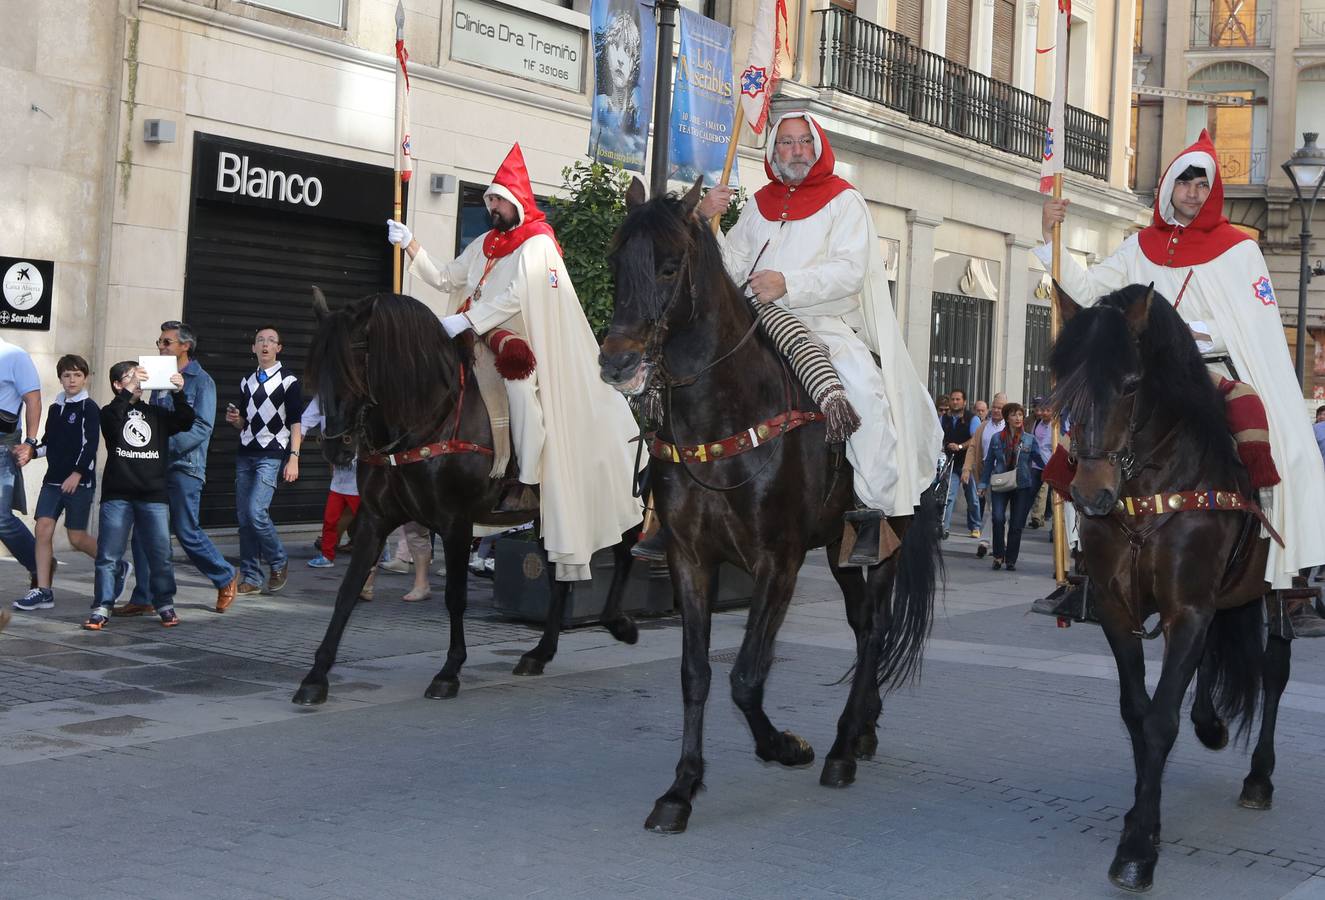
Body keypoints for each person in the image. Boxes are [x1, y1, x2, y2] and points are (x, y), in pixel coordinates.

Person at [1040, 129, 1325, 635]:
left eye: (1202, 184)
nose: (1192, 192)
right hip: (1149, 374)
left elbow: (1254, 323)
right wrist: (1052, 241)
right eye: (1185, 182)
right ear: (1168, 186)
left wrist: (1195, 332)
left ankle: (1287, 577)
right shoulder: (1137, 247)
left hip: (1212, 367)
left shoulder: (1239, 250)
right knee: (1086, 438)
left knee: (1278, 439)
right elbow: (1086, 288)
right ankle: (1084, 564)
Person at [387, 143, 642, 581]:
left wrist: (465, 318)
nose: (492, 206)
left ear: (517, 203)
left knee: (520, 386)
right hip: (475, 331)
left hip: (520, 337)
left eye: (499, 199)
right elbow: (448, 276)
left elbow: (515, 297)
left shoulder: (538, 244)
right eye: (489, 199)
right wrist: (412, 246)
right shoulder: (486, 243)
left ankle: (524, 480)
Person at [693, 111, 942, 560]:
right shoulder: (758, 204)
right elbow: (732, 268)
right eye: (785, 142)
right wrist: (705, 221)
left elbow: (851, 270)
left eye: (804, 141)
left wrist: (789, 283)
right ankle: (675, 500)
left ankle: (872, 509)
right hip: (754, 322)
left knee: (865, 396)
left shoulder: (845, 201)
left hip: (823, 325)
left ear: (819, 147)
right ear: (773, 151)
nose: (795, 150)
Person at [115, 321, 241, 617]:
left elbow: (202, 427)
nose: (160, 346)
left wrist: (162, 446)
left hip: (185, 467)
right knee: (144, 531)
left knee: (186, 530)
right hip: (155, 467)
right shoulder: (159, 377)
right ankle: (144, 595)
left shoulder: (202, 381)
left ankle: (224, 576)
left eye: (166, 342)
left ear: (185, 346)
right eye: (159, 341)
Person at [83, 361, 196, 630]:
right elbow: (112, 425)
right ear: (116, 384)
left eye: (139, 375)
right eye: (130, 377)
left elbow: (186, 420)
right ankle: (102, 606)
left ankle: (165, 604)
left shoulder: (155, 413)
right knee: (109, 555)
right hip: (118, 494)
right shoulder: (110, 412)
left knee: (160, 553)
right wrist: (129, 391)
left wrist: (178, 391)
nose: (138, 380)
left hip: (153, 494)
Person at [12, 355, 99, 612]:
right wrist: (30, 453)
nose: (72, 380)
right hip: (52, 481)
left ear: (85, 377)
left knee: (77, 537)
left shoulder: (89, 408)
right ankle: (43, 590)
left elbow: (90, 445)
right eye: (67, 375)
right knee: (42, 530)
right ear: (60, 378)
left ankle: (114, 565)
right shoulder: (55, 408)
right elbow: (48, 443)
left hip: (78, 482)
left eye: (77, 375)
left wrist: (78, 473)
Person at [225, 326, 302, 595]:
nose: (265, 345)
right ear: (254, 348)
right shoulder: (247, 381)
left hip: (272, 454)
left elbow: (295, 423)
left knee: (257, 513)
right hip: (246, 452)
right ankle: (251, 576)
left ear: (279, 348)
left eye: (271, 341)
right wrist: (237, 421)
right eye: (260, 340)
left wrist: (293, 458)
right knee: (244, 518)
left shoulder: (289, 381)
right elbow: (246, 422)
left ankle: (279, 561)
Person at [978, 403, 1044, 572]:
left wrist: (1053, 471)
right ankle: (998, 556)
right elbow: (988, 464)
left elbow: (1040, 460)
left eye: (1021, 415)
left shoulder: (1029, 439)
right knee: (998, 518)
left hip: (1022, 484)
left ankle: (1011, 560)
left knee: (1016, 524)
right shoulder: (997, 439)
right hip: (1000, 482)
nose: (1018, 418)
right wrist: (983, 484)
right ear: (1007, 418)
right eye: (1014, 415)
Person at [0, 334, 41, 587]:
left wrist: (31, 442)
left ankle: (40, 565)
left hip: (2, 446)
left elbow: (33, 399)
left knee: (1, 518)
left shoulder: (14, 355)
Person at [963, 392, 1006, 559]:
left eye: (1000, 408)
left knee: (998, 511)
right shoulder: (983, 427)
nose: (996, 410)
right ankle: (998, 542)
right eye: (994, 407)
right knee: (995, 510)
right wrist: (967, 469)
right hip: (986, 473)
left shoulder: (1010, 426)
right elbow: (973, 448)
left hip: (1006, 474)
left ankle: (986, 542)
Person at [939, 388, 982, 539]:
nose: (955, 402)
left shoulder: (973, 419)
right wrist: (945, 446)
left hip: (967, 464)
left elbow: (975, 439)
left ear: (964, 402)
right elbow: (938, 435)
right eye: (953, 399)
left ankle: (975, 525)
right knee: (948, 496)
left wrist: (960, 446)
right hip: (951, 463)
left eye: (958, 399)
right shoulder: (944, 419)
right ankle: (944, 527)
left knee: (972, 498)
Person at [1027, 400, 1054, 529]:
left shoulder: (1055, 426)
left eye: (1047, 410)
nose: (1043, 413)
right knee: (1031, 492)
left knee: (1051, 495)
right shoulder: (1037, 423)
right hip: (1036, 464)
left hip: (1051, 465)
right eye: (1043, 410)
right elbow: (1033, 440)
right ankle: (1021, 519)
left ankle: (1042, 519)